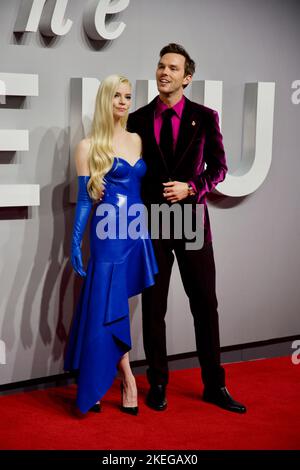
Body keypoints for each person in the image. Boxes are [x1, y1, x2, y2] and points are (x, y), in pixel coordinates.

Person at [127, 43, 246, 413]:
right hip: (154, 221)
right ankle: (157, 382)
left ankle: (214, 385)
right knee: (153, 307)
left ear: (187, 77)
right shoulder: (138, 120)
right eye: (161, 66)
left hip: (192, 220)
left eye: (173, 68)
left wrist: (193, 188)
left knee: (205, 305)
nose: (164, 72)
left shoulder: (205, 117)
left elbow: (220, 168)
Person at [64, 74, 158, 415]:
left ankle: (100, 375)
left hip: (136, 231)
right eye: (116, 95)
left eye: (128, 96)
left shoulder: (137, 140)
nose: (123, 101)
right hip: (107, 236)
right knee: (109, 307)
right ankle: (128, 378)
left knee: (114, 306)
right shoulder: (89, 146)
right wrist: (76, 242)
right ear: (105, 99)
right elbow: (85, 201)